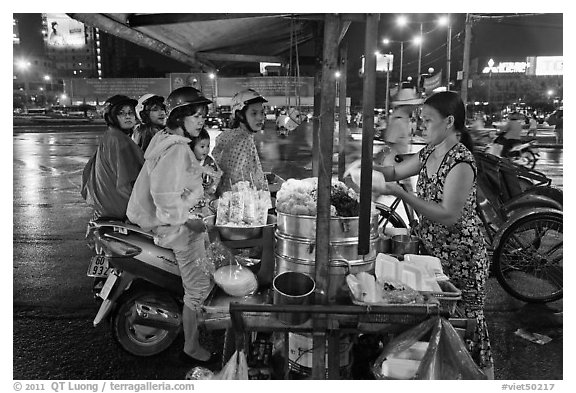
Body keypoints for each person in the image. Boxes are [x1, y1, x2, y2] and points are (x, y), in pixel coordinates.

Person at [371, 91, 494, 378]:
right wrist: (365, 168)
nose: (421, 126)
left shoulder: (461, 162)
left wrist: (403, 194)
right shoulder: (429, 152)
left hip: (462, 256)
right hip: (433, 252)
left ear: (449, 122)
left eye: (427, 120)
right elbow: (394, 171)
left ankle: (480, 378)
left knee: (466, 325)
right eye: (420, 119)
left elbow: (448, 214)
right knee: (437, 321)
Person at [126, 86, 220, 365]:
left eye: (203, 115)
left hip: (169, 222)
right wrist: (189, 220)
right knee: (198, 286)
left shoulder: (166, 139)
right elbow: (164, 196)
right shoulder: (176, 149)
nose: (202, 120)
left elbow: (177, 183)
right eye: (195, 115)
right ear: (179, 117)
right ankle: (191, 346)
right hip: (175, 229)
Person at [81, 95, 144, 220]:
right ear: (112, 117)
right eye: (121, 113)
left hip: (105, 206)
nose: (127, 116)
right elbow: (127, 180)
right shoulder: (120, 141)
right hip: (120, 207)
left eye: (130, 113)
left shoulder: (110, 136)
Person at [211, 88, 268, 195]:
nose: (260, 117)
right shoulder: (242, 140)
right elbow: (236, 182)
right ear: (240, 115)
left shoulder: (233, 135)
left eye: (262, 112)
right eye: (254, 113)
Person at [190, 128, 221, 210]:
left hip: (206, 197)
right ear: (192, 147)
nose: (206, 149)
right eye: (202, 146)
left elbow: (215, 178)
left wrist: (215, 180)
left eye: (208, 146)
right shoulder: (188, 162)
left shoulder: (209, 161)